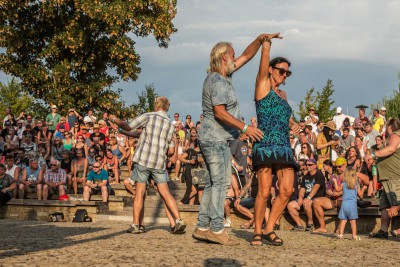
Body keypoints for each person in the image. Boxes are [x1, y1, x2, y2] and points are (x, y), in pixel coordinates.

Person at [191, 35, 266, 246]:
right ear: (224, 57)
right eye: (232, 55)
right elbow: (219, 113)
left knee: (213, 183)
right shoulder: (216, 80)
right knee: (221, 185)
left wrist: (260, 40)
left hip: (215, 138)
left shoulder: (223, 76)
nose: (235, 58)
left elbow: (246, 56)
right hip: (215, 138)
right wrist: (245, 127)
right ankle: (216, 229)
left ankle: (202, 227)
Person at [109, 96, 186, 235]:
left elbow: (128, 126)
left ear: (156, 105)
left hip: (144, 159)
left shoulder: (149, 116)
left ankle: (135, 225)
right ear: (167, 107)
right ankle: (179, 220)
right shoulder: (170, 124)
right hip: (159, 163)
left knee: (139, 192)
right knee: (166, 193)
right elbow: (170, 151)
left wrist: (114, 119)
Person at [251, 34, 301, 246]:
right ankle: (257, 231)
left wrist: (294, 125)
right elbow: (262, 65)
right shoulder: (262, 86)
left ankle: (270, 227)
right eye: (281, 70)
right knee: (263, 191)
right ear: (271, 70)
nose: (284, 75)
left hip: (283, 146)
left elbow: (286, 117)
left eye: (287, 72)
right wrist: (266, 44)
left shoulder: (283, 95)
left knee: (287, 189)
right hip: (265, 144)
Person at [370, 118, 400, 238]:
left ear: (389, 127)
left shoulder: (395, 136)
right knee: (385, 205)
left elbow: (391, 148)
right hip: (387, 177)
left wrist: (373, 154)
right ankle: (383, 230)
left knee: (397, 203)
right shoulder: (391, 137)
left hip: (393, 176)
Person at [336, 168, 362, 240]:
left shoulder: (344, 184)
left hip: (344, 204)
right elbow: (360, 195)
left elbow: (337, 189)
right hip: (353, 205)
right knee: (353, 221)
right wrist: (364, 188)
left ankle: (341, 234)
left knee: (343, 220)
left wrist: (335, 182)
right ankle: (354, 235)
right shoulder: (356, 184)